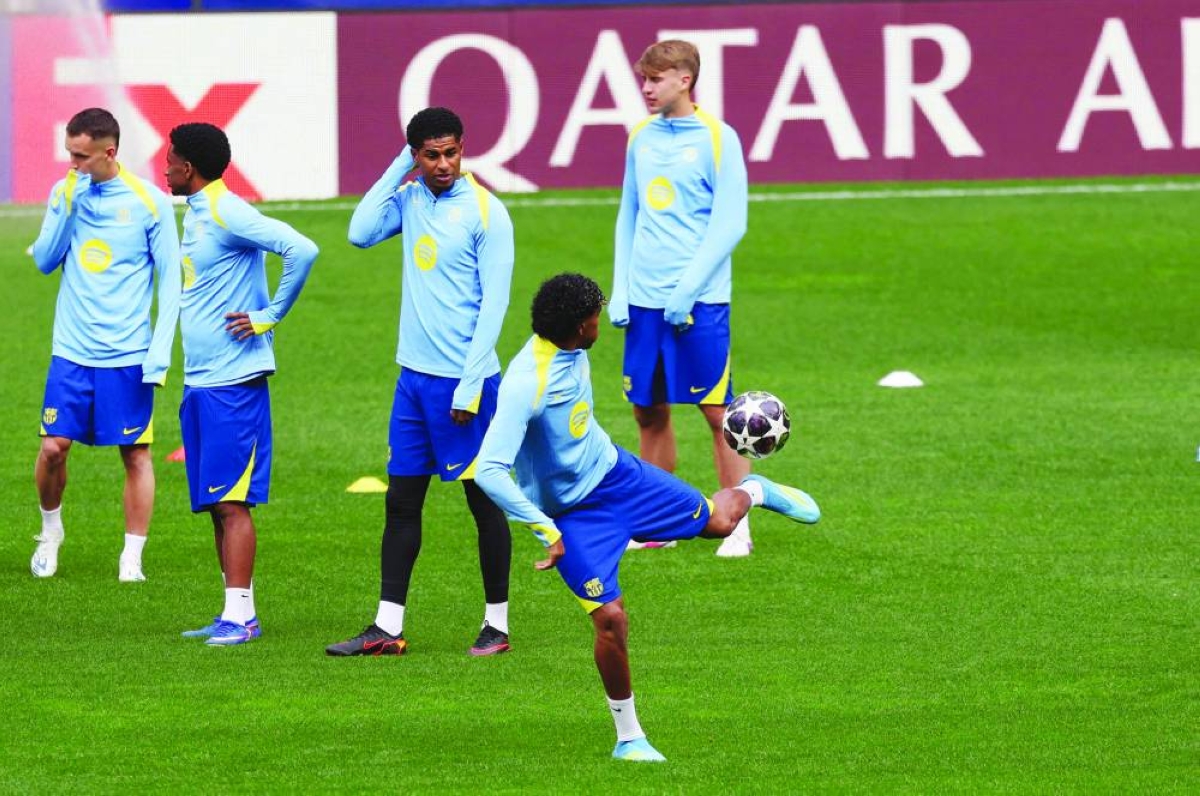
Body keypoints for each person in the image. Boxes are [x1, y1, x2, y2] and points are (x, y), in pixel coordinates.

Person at [475, 273, 820, 762]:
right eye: (597, 315)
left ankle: (754, 490)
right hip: (573, 519)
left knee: (720, 524)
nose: (602, 320)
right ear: (579, 327)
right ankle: (628, 737)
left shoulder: (574, 351)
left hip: (619, 477)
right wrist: (545, 529)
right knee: (611, 620)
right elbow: (489, 470)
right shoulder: (525, 384)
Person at [326, 106, 515, 658]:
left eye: (451, 152)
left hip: (464, 383)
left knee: (483, 502)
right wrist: (398, 171)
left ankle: (497, 625)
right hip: (412, 382)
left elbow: (495, 303)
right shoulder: (409, 201)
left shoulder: (486, 212)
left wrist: (471, 383)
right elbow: (359, 233)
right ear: (415, 156)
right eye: (430, 155)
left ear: (463, 148)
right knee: (403, 503)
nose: (443, 165)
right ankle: (387, 627)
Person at [164, 122, 318, 646]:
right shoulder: (198, 215)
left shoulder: (229, 211)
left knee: (232, 503)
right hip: (201, 381)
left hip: (235, 382)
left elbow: (302, 249)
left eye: (170, 160)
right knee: (214, 502)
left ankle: (242, 620)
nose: (165, 168)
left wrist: (269, 315)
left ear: (188, 167)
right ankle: (234, 609)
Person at [610, 40, 754, 557]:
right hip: (645, 301)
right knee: (647, 411)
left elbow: (731, 221)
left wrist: (688, 288)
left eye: (655, 79)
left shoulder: (719, 138)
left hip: (700, 303)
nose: (646, 89)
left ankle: (737, 524)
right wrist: (621, 288)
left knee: (719, 414)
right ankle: (660, 521)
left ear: (684, 79)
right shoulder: (640, 138)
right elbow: (629, 213)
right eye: (643, 79)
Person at [29, 107, 181, 582]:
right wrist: (66, 207)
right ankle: (50, 531)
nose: (72, 164)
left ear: (109, 152)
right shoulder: (65, 191)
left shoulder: (149, 202)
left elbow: (171, 283)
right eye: (69, 154)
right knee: (54, 447)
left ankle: (131, 555)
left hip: (127, 354)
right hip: (71, 350)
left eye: (81, 156)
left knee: (135, 454)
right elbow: (46, 261)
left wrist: (158, 354)